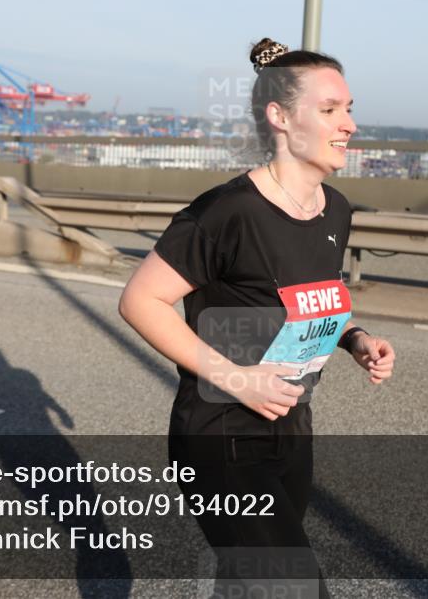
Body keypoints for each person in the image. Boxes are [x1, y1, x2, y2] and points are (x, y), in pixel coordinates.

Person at [119, 38, 395, 598]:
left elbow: (314, 298)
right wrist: (237, 378)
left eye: (349, 108)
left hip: (290, 428)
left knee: (249, 587)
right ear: (280, 117)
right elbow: (140, 301)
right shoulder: (226, 212)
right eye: (330, 110)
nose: (349, 124)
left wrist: (356, 337)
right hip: (221, 437)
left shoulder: (334, 209)